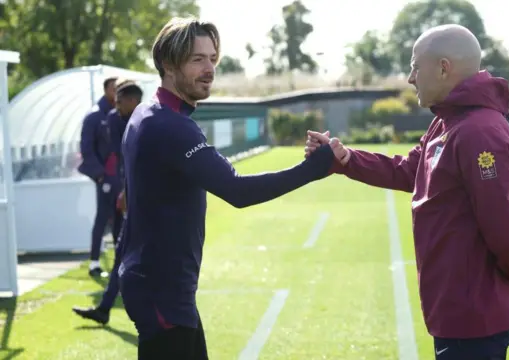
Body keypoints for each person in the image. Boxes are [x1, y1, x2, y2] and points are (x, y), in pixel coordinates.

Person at [305, 24, 509, 360]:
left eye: (416, 66)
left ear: (444, 68)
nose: (410, 77)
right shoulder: (447, 123)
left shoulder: (479, 132)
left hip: (475, 314)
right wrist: (346, 159)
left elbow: (502, 226)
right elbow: (408, 171)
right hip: (453, 309)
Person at [118, 17, 335, 360]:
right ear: (167, 65)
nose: (209, 69)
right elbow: (237, 191)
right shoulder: (171, 126)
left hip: (158, 286)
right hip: (162, 292)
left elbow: (131, 194)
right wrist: (314, 168)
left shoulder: (146, 113)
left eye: (212, 59)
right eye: (196, 60)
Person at [72, 82, 143, 325]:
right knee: (121, 247)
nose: (116, 105)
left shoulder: (148, 120)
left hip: (145, 201)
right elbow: (124, 158)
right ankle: (104, 306)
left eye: (120, 100)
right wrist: (119, 186)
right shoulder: (113, 119)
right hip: (127, 193)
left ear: (131, 101)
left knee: (131, 252)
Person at [78, 76, 119, 278]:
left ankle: (120, 263)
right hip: (105, 178)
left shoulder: (121, 114)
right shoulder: (94, 116)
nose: (118, 92)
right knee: (103, 218)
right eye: (114, 88)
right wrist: (100, 175)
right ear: (106, 90)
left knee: (120, 219)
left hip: (119, 178)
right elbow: (86, 148)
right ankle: (94, 263)